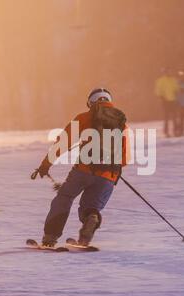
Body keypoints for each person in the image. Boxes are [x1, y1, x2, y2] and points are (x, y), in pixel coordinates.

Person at [35, 88, 129, 248]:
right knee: (90, 207)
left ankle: (50, 238)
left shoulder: (84, 118)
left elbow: (62, 143)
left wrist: (46, 165)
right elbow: (124, 159)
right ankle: (90, 220)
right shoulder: (122, 124)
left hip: (83, 170)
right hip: (108, 176)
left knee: (64, 198)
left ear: (90, 102)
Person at [154, 68, 181, 137]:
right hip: (165, 101)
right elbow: (158, 90)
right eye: (167, 72)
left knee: (175, 117)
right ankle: (166, 132)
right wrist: (161, 98)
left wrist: (177, 94)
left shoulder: (173, 80)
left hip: (173, 100)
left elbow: (177, 88)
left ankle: (176, 131)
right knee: (166, 117)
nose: (169, 73)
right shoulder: (160, 80)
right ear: (164, 73)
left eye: (169, 71)